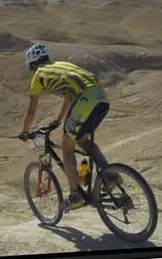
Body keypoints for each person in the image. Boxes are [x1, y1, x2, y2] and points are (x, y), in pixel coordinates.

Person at [18, 43, 117, 211]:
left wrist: (25, 132)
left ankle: (74, 196)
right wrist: (57, 121)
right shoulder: (61, 66)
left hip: (85, 100)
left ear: (33, 65)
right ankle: (110, 175)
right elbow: (68, 98)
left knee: (67, 148)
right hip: (101, 98)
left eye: (31, 69)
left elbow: (31, 110)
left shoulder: (39, 76)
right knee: (82, 140)